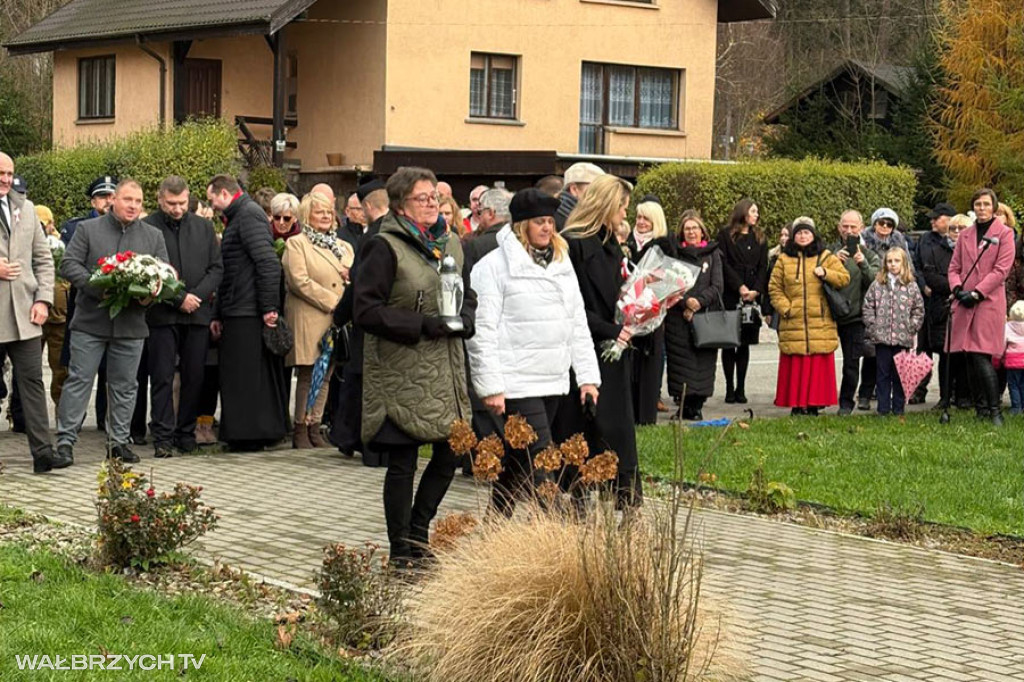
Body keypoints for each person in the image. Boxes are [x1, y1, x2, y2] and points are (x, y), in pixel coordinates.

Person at [353, 167, 476, 564]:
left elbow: (465, 292)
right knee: (403, 461)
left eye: (434, 197)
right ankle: (401, 549)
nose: (431, 204)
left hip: (445, 368)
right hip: (401, 368)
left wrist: (467, 316)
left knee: (450, 452)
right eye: (421, 198)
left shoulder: (451, 243)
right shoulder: (384, 246)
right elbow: (366, 311)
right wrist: (423, 324)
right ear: (400, 206)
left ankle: (420, 533)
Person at [467, 188, 600, 515]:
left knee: (517, 460)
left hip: (552, 378)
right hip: (516, 382)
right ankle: (562, 530)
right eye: (539, 222)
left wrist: (587, 378)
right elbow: (481, 331)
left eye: (551, 222)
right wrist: (491, 386)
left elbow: (577, 322)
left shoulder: (561, 262)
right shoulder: (493, 267)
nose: (547, 228)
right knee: (541, 456)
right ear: (521, 225)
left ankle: (494, 530)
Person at [56, 179, 169, 465]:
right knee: (79, 381)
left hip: (131, 325)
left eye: (139, 201)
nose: (133, 206)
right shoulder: (87, 230)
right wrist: (98, 286)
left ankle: (118, 442)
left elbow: (164, 275)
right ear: (113, 200)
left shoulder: (153, 236)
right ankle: (65, 442)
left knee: (125, 385)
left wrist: (149, 296)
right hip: (90, 322)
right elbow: (68, 264)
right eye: (128, 199)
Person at [560, 174, 643, 508]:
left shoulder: (610, 243)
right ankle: (574, 492)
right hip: (585, 350)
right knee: (582, 425)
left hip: (612, 351)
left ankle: (622, 495)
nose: (626, 214)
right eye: (623, 207)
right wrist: (612, 329)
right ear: (607, 204)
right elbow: (571, 305)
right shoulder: (573, 243)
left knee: (616, 428)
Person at [144, 176, 222, 458]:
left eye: (182, 203)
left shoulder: (203, 226)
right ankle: (163, 435)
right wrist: (179, 298)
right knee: (163, 376)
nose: (177, 209)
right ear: (160, 199)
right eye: (171, 204)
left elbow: (216, 268)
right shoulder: (149, 227)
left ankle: (185, 432)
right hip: (163, 314)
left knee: (194, 376)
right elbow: (147, 271)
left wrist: (196, 297)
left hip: (197, 314)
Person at [208, 174, 288, 449]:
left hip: (248, 309)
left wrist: (268, 308)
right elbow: (229, 271)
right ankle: (246, 433)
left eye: (213, 199)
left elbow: (267, 263)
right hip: (240, 307)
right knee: (242, 376)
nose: (212, 206)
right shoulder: (241, 216)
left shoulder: (247, 216)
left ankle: (247, 435)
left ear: (224, 193)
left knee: (244, 377)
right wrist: (219, 312)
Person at [0, 151, 63, 473]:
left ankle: (43, 453)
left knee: (33, 382)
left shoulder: (25, 209)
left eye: (9, 173)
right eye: (1, 173)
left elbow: (43, 261)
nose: (6, 179)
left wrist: (43, 300)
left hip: (25, 314)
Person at [283, 191, 354, 448]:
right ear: (307, 216)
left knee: (327, 373)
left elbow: (353, 276)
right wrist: (335, 302)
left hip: (336, 322)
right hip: (311, 315)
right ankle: (300, 428)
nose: (325, 216)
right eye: (319, 212)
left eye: (328, 212)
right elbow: (299, 281)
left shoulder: (343, 246)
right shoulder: (297, 244)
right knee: (309, 372)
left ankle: (315, 425)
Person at [329, 178, 389, 465]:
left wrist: (339, 315)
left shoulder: (372, 237)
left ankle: (355, 440)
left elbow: (358, 285)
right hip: (390, 320)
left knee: (360, 382)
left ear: (366, 206)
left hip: (368, 320)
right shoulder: (399, 230)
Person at [769, 218, 850, 416]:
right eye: (798, 233)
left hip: (820, 322)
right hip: (793, 321)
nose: (803, 236)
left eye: (806, 233)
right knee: (796, 364)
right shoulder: (783, 260)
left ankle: (814, 404)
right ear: (793, 237)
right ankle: (797, 405)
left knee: (817, 364)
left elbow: (844, 278)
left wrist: (826, 273)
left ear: (813, 235)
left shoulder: (825, 256)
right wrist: (786, 309)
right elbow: (774, 288)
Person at [948, 188, 1015, 426]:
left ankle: (994, 410)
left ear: (994, 207)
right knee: (968, 355)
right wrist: (957, 290)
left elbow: (1001, 270)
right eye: (978, 204)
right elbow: (954, 267)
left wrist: (977, 293)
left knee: (981, 355)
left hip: (988, 302)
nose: (982, 208)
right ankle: (981, 409)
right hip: (964, 301)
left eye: (986, 204)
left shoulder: (1005, 234)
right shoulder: (965, 234)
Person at [60, 175, 117, 431]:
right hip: (84, 305)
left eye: (111, 196)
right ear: (93, 200)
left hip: (115, 309)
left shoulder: (125, 226)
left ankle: (106, 421)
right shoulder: (76, 227)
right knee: (80, 370)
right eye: (103, 196)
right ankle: (72, 423)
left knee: (111, 371)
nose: (108, 201)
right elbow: (71, 263)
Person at [665, 211, 723, 421]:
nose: (691, 232)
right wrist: (685, 302)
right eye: (687, 228)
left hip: (704, 316)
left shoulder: (713, 253)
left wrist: (698, 303)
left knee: (703, 364)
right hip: (678, 319)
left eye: (695, 228)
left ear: (702, 231)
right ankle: (682, 406)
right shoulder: (675, 254)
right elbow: (669, 283)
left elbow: (717, 286)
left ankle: (697, 406)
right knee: (681, 363)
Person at [856, 208, 910, 410]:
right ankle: (865, 394)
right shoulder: (864, 242)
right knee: (872, 356)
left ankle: (895, 402)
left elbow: (909, 272)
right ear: (874, 223)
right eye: (881, 223)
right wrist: (871, 323)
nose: (885, 227)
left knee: (896, 365)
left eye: (889, 224)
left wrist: (911, 325)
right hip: (873, 298)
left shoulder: (899, 242)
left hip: (898, 313)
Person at [862, 248, 924, 416]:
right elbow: (868, 307)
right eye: (889, 261)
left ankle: (898, 408)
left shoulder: (911, 286)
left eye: (897, 261)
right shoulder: (877, 284)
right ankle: (883, 408)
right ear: (885, 264)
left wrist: (912, 327)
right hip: (881, 338)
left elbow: (918, 309)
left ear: (903, 263)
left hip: (903, 338)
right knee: (882, 374)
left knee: (899, 375)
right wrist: (873, 326)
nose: (893, 264)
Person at [718, 198, 768, 405]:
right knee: (730, 342)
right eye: (753, 211)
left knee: (745, 343)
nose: (756, 215)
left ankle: (741, 387)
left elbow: (763, 266)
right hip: (732, 293)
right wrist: (739, 286)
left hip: (752, 294)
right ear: (743, 212)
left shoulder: (760, 237)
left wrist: (756, 289)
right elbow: (724, 263)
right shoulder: (726, 235)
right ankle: (729, 387)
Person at [626, 196, 671, 424]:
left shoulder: (663, 244)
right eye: (639, 217)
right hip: (628, 309)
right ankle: (630, 410)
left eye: (646, 218)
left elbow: (672, 277)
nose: (641, 222)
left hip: (653, 310)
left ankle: (646, 414)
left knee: (651, 359)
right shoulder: (627, 241)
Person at [831, 210, 880, 415]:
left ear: (861, 228)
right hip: (829, 316)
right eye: (845, 226)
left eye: (853, 227)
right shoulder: (829, 252)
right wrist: (833, 262)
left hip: (855, 317)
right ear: (839, 227)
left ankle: (846, 403)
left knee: (852, 363)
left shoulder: (869, 254)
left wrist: (863, 264)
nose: (849, 230)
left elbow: (878, 283)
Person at [914, 202, 958, 410]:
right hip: (926, 301)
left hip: (947, 302)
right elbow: (917, 266)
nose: (932, 221)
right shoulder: (925, 239)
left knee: (946, 350)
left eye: (936, 218)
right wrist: (923, 285)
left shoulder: (959, 241)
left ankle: (948, 394)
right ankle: (918, 390)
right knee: (922, 348)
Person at [463, 187, 512, 275]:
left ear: (490, 213)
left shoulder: (475, 245)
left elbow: (468, 283)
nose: (480, 217)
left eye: (480, 212)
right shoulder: (521, 239)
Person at [555, 162, 605, 231]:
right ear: (574, 189)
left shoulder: (592, 221)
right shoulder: (555, 223)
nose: (601, 195)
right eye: (594, 189)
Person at [1002, 301, 1024, 415]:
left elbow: (1003, 342)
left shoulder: (1008, 326)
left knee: (1013, 385)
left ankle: (1016, 407)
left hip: (1012, 361)